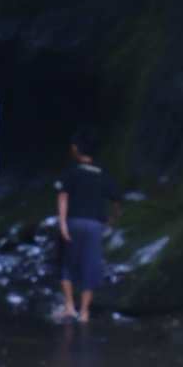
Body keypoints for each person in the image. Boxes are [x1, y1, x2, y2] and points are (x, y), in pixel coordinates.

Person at [55, 128, 119, 322]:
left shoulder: (70, 172)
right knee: (89, 266)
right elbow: (117, 199)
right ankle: (84, 312)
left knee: (66, 264)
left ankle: (69, 306)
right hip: (94, 226)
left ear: (75, 148)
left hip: (74, 222)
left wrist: (63, 222)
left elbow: (63, 196)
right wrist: (110, 220)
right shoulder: (103, 174)